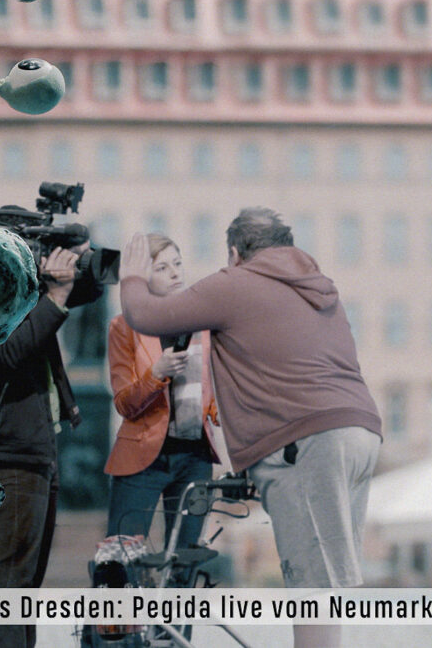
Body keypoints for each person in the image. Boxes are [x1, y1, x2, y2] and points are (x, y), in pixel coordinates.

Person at [119, 207, 381, 648]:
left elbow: (147, 315)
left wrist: (131, 277)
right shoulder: (318, 286)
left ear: (235, 253)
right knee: (325, 578)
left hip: (308, 440)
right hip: (360, 432)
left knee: (311, 584)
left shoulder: (237, 282)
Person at [0, 245, 104, 648]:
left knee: (23, 580)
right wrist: (55, 293)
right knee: (8, 574)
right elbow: (10, 352)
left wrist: (76, 255)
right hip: (11, 451)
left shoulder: (31, 295)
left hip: (36, 448)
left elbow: (91, 289)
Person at [104, 233, 221, 569]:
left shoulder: (206, 324)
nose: (174, 273)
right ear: (143, 277)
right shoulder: (123, 327)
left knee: (186, 561)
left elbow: (218, 389)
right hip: (142, 459)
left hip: (196, 458)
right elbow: (124, 403)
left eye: (177, 264)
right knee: (122, 557)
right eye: (162, 267)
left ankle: (174, 607)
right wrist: (156, 374)